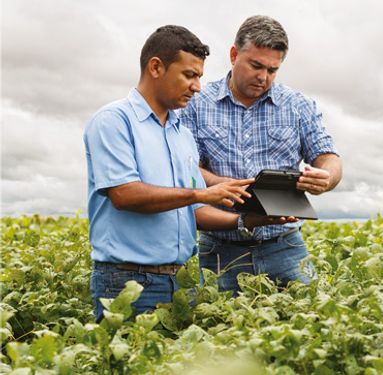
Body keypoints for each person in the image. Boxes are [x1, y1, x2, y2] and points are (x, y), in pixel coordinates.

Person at [83, 25, 294, 322]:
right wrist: (202, 193)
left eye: (200, 77)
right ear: (156, 67)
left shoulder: (181, 132)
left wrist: (248, 220)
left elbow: (191, 211)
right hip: (127, 281)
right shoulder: (113, 122)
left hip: (181, 280)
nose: (197, 86)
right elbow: (125, 194)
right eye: (189, 75)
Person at [180, 15, 342, 293]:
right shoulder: (196, 104)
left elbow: (328, 156)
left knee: (306, 325)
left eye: (272, 70)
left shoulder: (298, 106)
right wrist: (223, 184)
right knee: (217, 328)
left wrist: (326, 177)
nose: (263, 77)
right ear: (234, 55)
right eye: (256, 65)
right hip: (220, 248)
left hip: (286, 246)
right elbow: (187, 168)